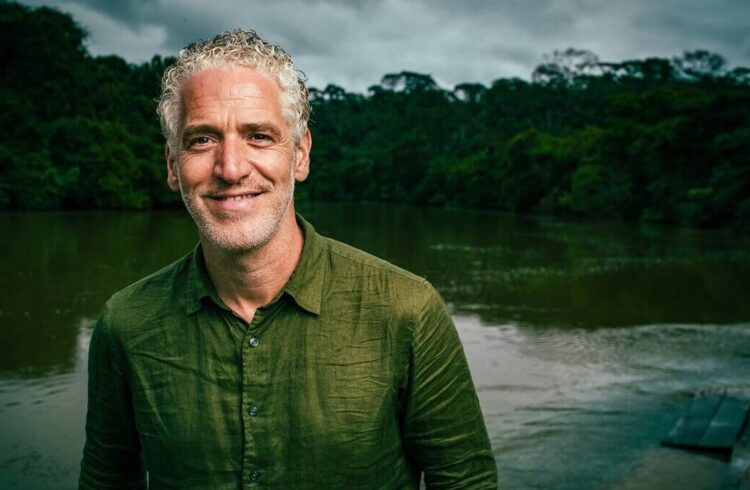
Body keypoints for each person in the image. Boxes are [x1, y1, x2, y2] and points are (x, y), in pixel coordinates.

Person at [79, 29, 497, 489]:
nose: (231, 167)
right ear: (173, 165)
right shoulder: (126, 323)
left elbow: (465, 482)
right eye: (201, 140)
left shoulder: (407, 311)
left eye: (259, 136)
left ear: (299, 155)